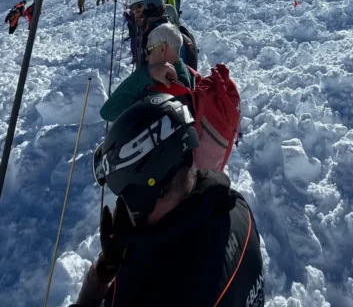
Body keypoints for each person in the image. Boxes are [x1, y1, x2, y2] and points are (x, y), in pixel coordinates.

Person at [77, 96, 263, 307]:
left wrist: (97, 284)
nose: (124, 207)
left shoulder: (148, 295)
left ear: (143, 198)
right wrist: (140, 252)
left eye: (125, 197)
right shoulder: (236, 206)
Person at [100, 22, 195, 123]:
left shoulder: (158, 93)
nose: (146, 57)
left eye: (148, 51)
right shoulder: (187, 72)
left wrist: (145, 73)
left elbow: (108, 112)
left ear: (162, 48)